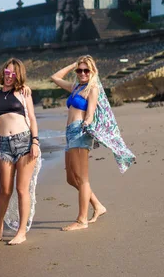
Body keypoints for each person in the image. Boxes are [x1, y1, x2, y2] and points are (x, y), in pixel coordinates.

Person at [51, 55, 136, 231]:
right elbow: (55, 77)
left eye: (86, 70)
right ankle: (97, 205)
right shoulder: (75, 87)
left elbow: (90, 112)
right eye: (79, 70)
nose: (82, 73)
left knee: (82, 179)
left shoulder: (92, 88)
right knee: (70, 178)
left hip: (80, 132)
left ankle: (82, 220)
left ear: (92, 72)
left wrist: (87, 122)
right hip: (70, 133)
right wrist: (74, 63)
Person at [0, 58, 42, 244]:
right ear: (3, 72)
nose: (9, 76)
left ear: (18, 75)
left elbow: (33, 119)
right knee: (5, 190)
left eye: (13, 73)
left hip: (24, 143)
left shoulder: (23, 92)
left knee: (22, 189)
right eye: (7, 72)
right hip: (3, 145)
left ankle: (21, 232)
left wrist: (35, 142)